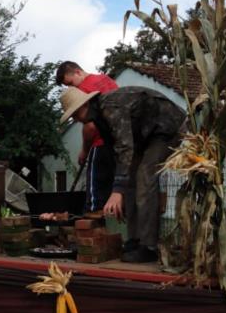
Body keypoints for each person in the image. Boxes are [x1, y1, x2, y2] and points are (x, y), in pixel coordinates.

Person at [58, 86, 185, 263]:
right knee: (131, 181)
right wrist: (118, 192)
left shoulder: (111, 107)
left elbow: (125, 147)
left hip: (167, 128)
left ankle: (148, 247)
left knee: (144, 176)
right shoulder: (100, 119)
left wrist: (117, 191)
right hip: (145, 135)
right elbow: (115, 153)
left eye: (75, 114)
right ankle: (134, 240)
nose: (76, 119)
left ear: (85, 106)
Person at [56, 61, 119, 212]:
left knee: (95, 193)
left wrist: (84, 150)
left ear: (78, 72)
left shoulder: (84, 91)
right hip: (118, 140)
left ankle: (92, 221)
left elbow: (90, 126)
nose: (73, 88)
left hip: (100, 143)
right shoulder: (106, 79)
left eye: (71, 83)